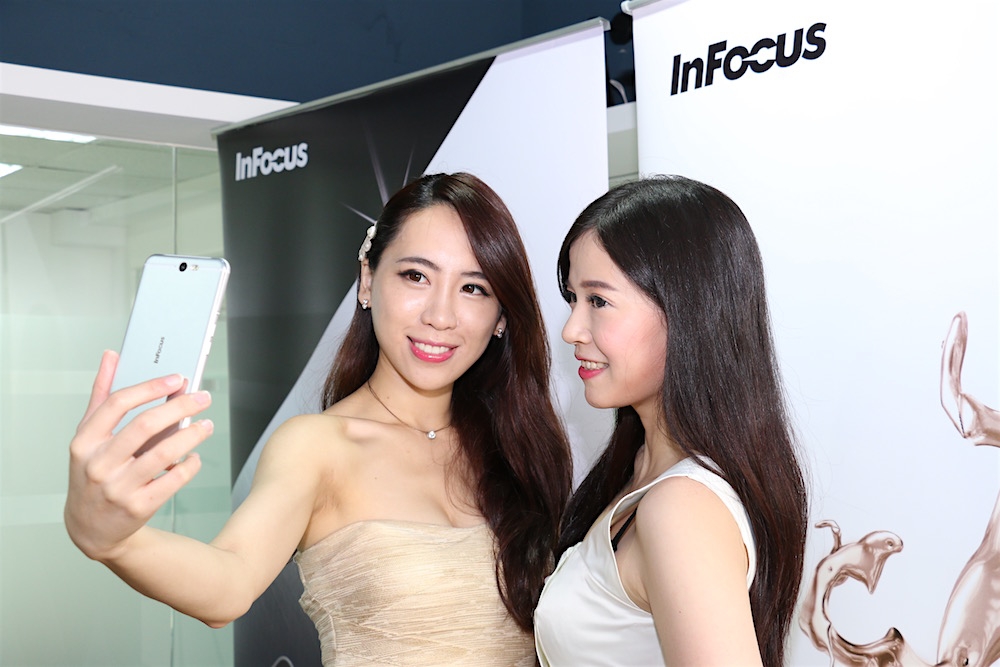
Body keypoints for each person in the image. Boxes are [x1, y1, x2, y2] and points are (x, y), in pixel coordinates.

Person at [65, 172, 573, 666]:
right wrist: (114, 541)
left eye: (474, 288)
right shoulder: (316, 445)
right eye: (416, 276)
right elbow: (229, 582)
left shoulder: (520, 447)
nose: (440, 316)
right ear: (368, 281)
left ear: (501, 316)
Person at [534, 175, 808, 667]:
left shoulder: (682, 507)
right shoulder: (641, 469)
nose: (572, 329)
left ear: (687, 310)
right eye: (573, 298)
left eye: (598, 301)